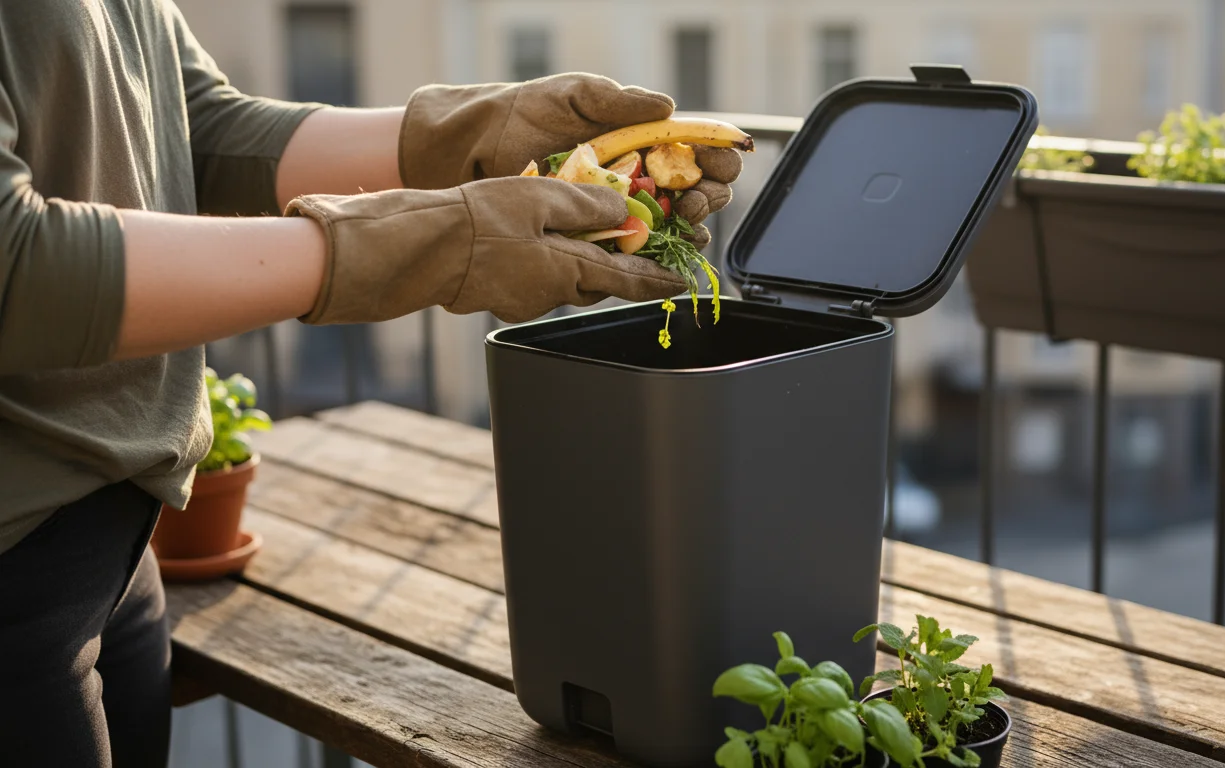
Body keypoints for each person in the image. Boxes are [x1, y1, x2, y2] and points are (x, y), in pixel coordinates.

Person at [0, 1, 743, 765]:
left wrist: (483, 129)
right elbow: (13, 264)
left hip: (116, 542)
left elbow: (197, 128)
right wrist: (421, 244)